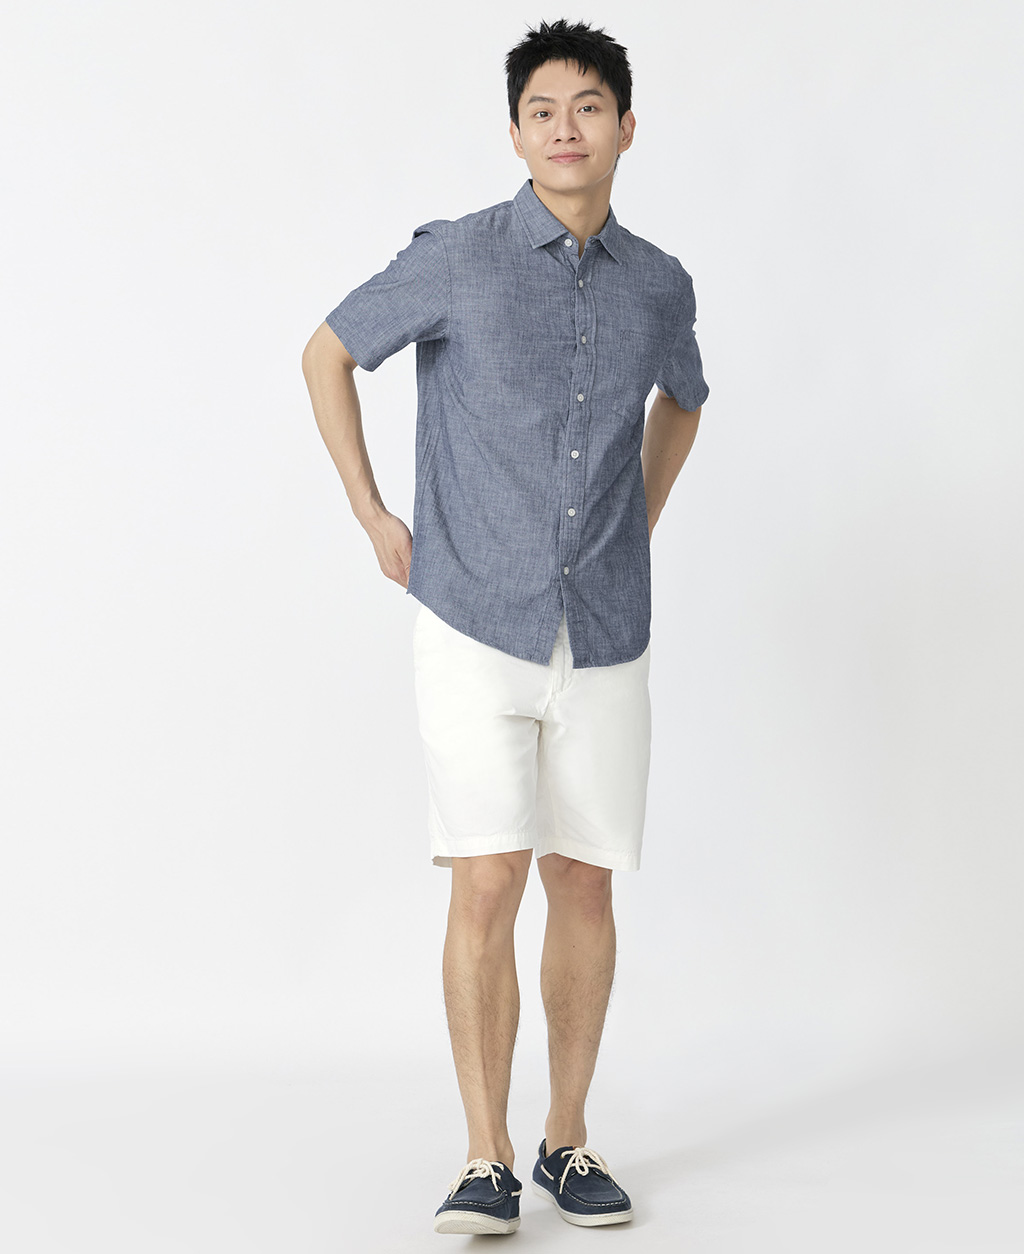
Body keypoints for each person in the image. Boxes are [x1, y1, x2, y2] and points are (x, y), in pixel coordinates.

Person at [301, 16, 709, 1236]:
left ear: (625, 128)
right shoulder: (457, 258)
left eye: (587, 108)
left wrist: (639, 516)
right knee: (487, 876)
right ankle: (482, 1157)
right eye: (542, 111)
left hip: (607, 629)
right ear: (516, 134)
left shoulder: (659, 283)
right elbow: (327, 353)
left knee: (582, 881)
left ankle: (564, 1142)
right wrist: (373, 513)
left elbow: (684, 400)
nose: (564, 128)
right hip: (473, 618)